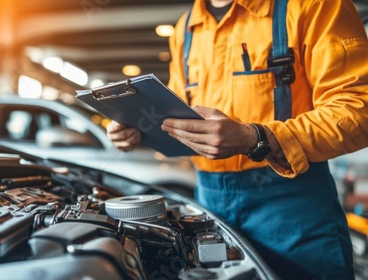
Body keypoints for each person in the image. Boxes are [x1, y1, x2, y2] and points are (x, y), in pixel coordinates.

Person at [106, 0, 368, 279]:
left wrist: (254, 138)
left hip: (292, 205)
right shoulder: (187, 27)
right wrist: (139, 125)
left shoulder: (313, 6)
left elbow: (358, 109)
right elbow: (178, 108)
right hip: (209, 198)